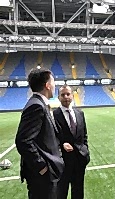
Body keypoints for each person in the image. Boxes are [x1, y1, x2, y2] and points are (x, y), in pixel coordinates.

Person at [15, 68, 64, 199]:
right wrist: (42, 167)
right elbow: (23, 141)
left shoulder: (39, 104)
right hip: (41, 176)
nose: (55, 85)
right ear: (47, 85)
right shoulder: (36, 106)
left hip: (45, 174)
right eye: (53, 82)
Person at [53, 85, 90, 199]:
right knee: (61, 192)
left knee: (78, 192)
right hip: (63, 162)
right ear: (58, 97)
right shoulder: (54, 115)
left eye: (68, 94)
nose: (66, 97)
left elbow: (84, 136)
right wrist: (61, 144)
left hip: (79, 160)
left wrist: (86, 152)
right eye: (62, 95)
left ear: (72, 96)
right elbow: (51, 138)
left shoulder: (80, 113)